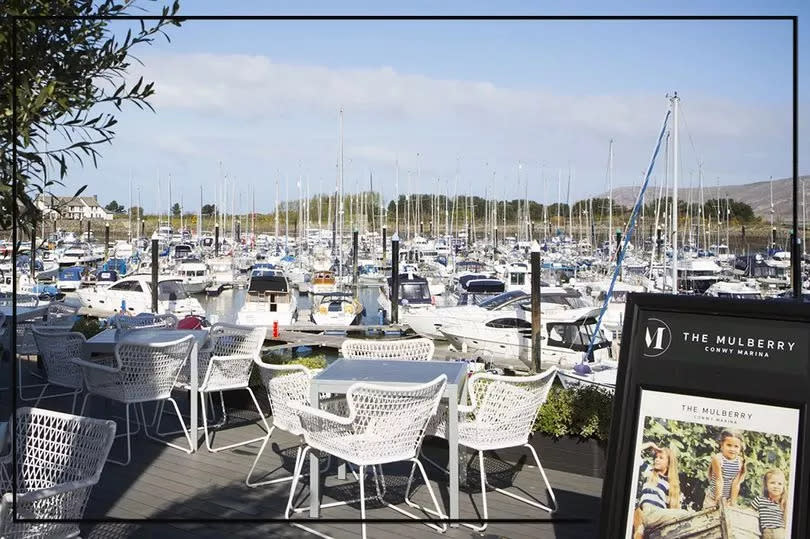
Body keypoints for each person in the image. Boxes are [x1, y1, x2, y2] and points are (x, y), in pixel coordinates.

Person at [632, 441, 690, 539]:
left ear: (668, 464)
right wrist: (650, 444)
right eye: (656, 457)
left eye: (661, 458)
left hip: (659, 515)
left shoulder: (670, 484)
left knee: (682, 516)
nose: (657, 460)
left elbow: (672, 508)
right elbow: (634, 453)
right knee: (685, 514)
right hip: (649, 512)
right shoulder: (650, 473)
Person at [703, 429, 747, 508]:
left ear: (740, 448)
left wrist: (733, 502)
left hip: (727, 500)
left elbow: (736, 483)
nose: (732, 449)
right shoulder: (717, 459)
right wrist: (718, 501)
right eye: (729, 445)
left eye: (736, 446)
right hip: (713, 499)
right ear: (722, 445)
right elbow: (719, 480)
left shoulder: (740, 462)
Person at [751, 468, 788, 539]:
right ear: (766, 485)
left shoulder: (783, 502)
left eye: (779, 484)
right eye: (772, 483)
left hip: (780, 532)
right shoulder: (760, 500)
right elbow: (750, 512)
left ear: (783, 487)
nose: (776, 486)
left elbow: (787, 521)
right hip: (766, 532)